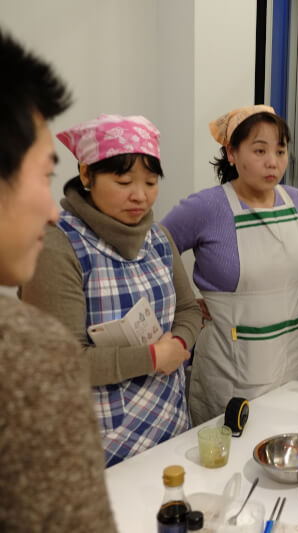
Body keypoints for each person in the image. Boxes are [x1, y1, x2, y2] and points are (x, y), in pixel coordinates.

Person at [20, 113, 202, 467]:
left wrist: (179, 343)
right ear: (86, 173)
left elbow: (188, 310)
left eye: (151, 182)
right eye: (123, 181)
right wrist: (152, 358)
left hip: (169, 426)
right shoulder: (57, 245)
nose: (140, 196)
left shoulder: (159, 238)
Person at [0, 28, 117, 531]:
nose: (51, 211)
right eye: (45, 175)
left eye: (150, 182)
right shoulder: (27, 355)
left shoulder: (159, 239)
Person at [161, 105, 298, 424]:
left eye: (280, 150)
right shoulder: (207, 208)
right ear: (232, 153)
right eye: (260, 150)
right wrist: (183, 304)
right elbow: (156, 252)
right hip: (235, 367)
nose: (273, 161)